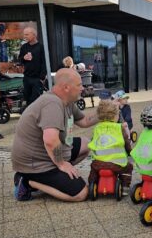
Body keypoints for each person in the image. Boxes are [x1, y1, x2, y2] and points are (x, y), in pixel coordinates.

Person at [11, 68, 98, 202]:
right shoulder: (52, 103)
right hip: (36, 163)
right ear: (66, 87)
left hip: (47, 154)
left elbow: (85, 121)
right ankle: (27, 181)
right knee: (80, 194)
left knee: (87, 144)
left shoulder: (67, 102)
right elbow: (51, 140)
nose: (82, 88)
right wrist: (61, 163)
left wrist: (107, 111)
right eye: (79, 85)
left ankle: (57, 176)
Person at [88, 100, 133, 188]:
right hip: (116, 163)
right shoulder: (119, 128)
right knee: (128, 168)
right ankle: (125, 186)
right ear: (115, 116)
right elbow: (126, 143)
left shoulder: (97, 128)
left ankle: (92, 184)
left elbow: (93, 141)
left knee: (93, 170)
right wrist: (129, 152)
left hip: (98, 163)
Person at [19, 26, 47, 106]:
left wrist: (41, 78)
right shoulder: (24, 47)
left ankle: (37, 117)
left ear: (34, 35)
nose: (25, 36)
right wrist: (24, 58)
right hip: (27, 77)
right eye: (24, 34)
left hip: (37, 78)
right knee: (27, 99)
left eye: (27, 34)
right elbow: (20, 60)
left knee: (35, 100)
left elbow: (44, 62)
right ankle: (30, 117)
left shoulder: (41, 47)